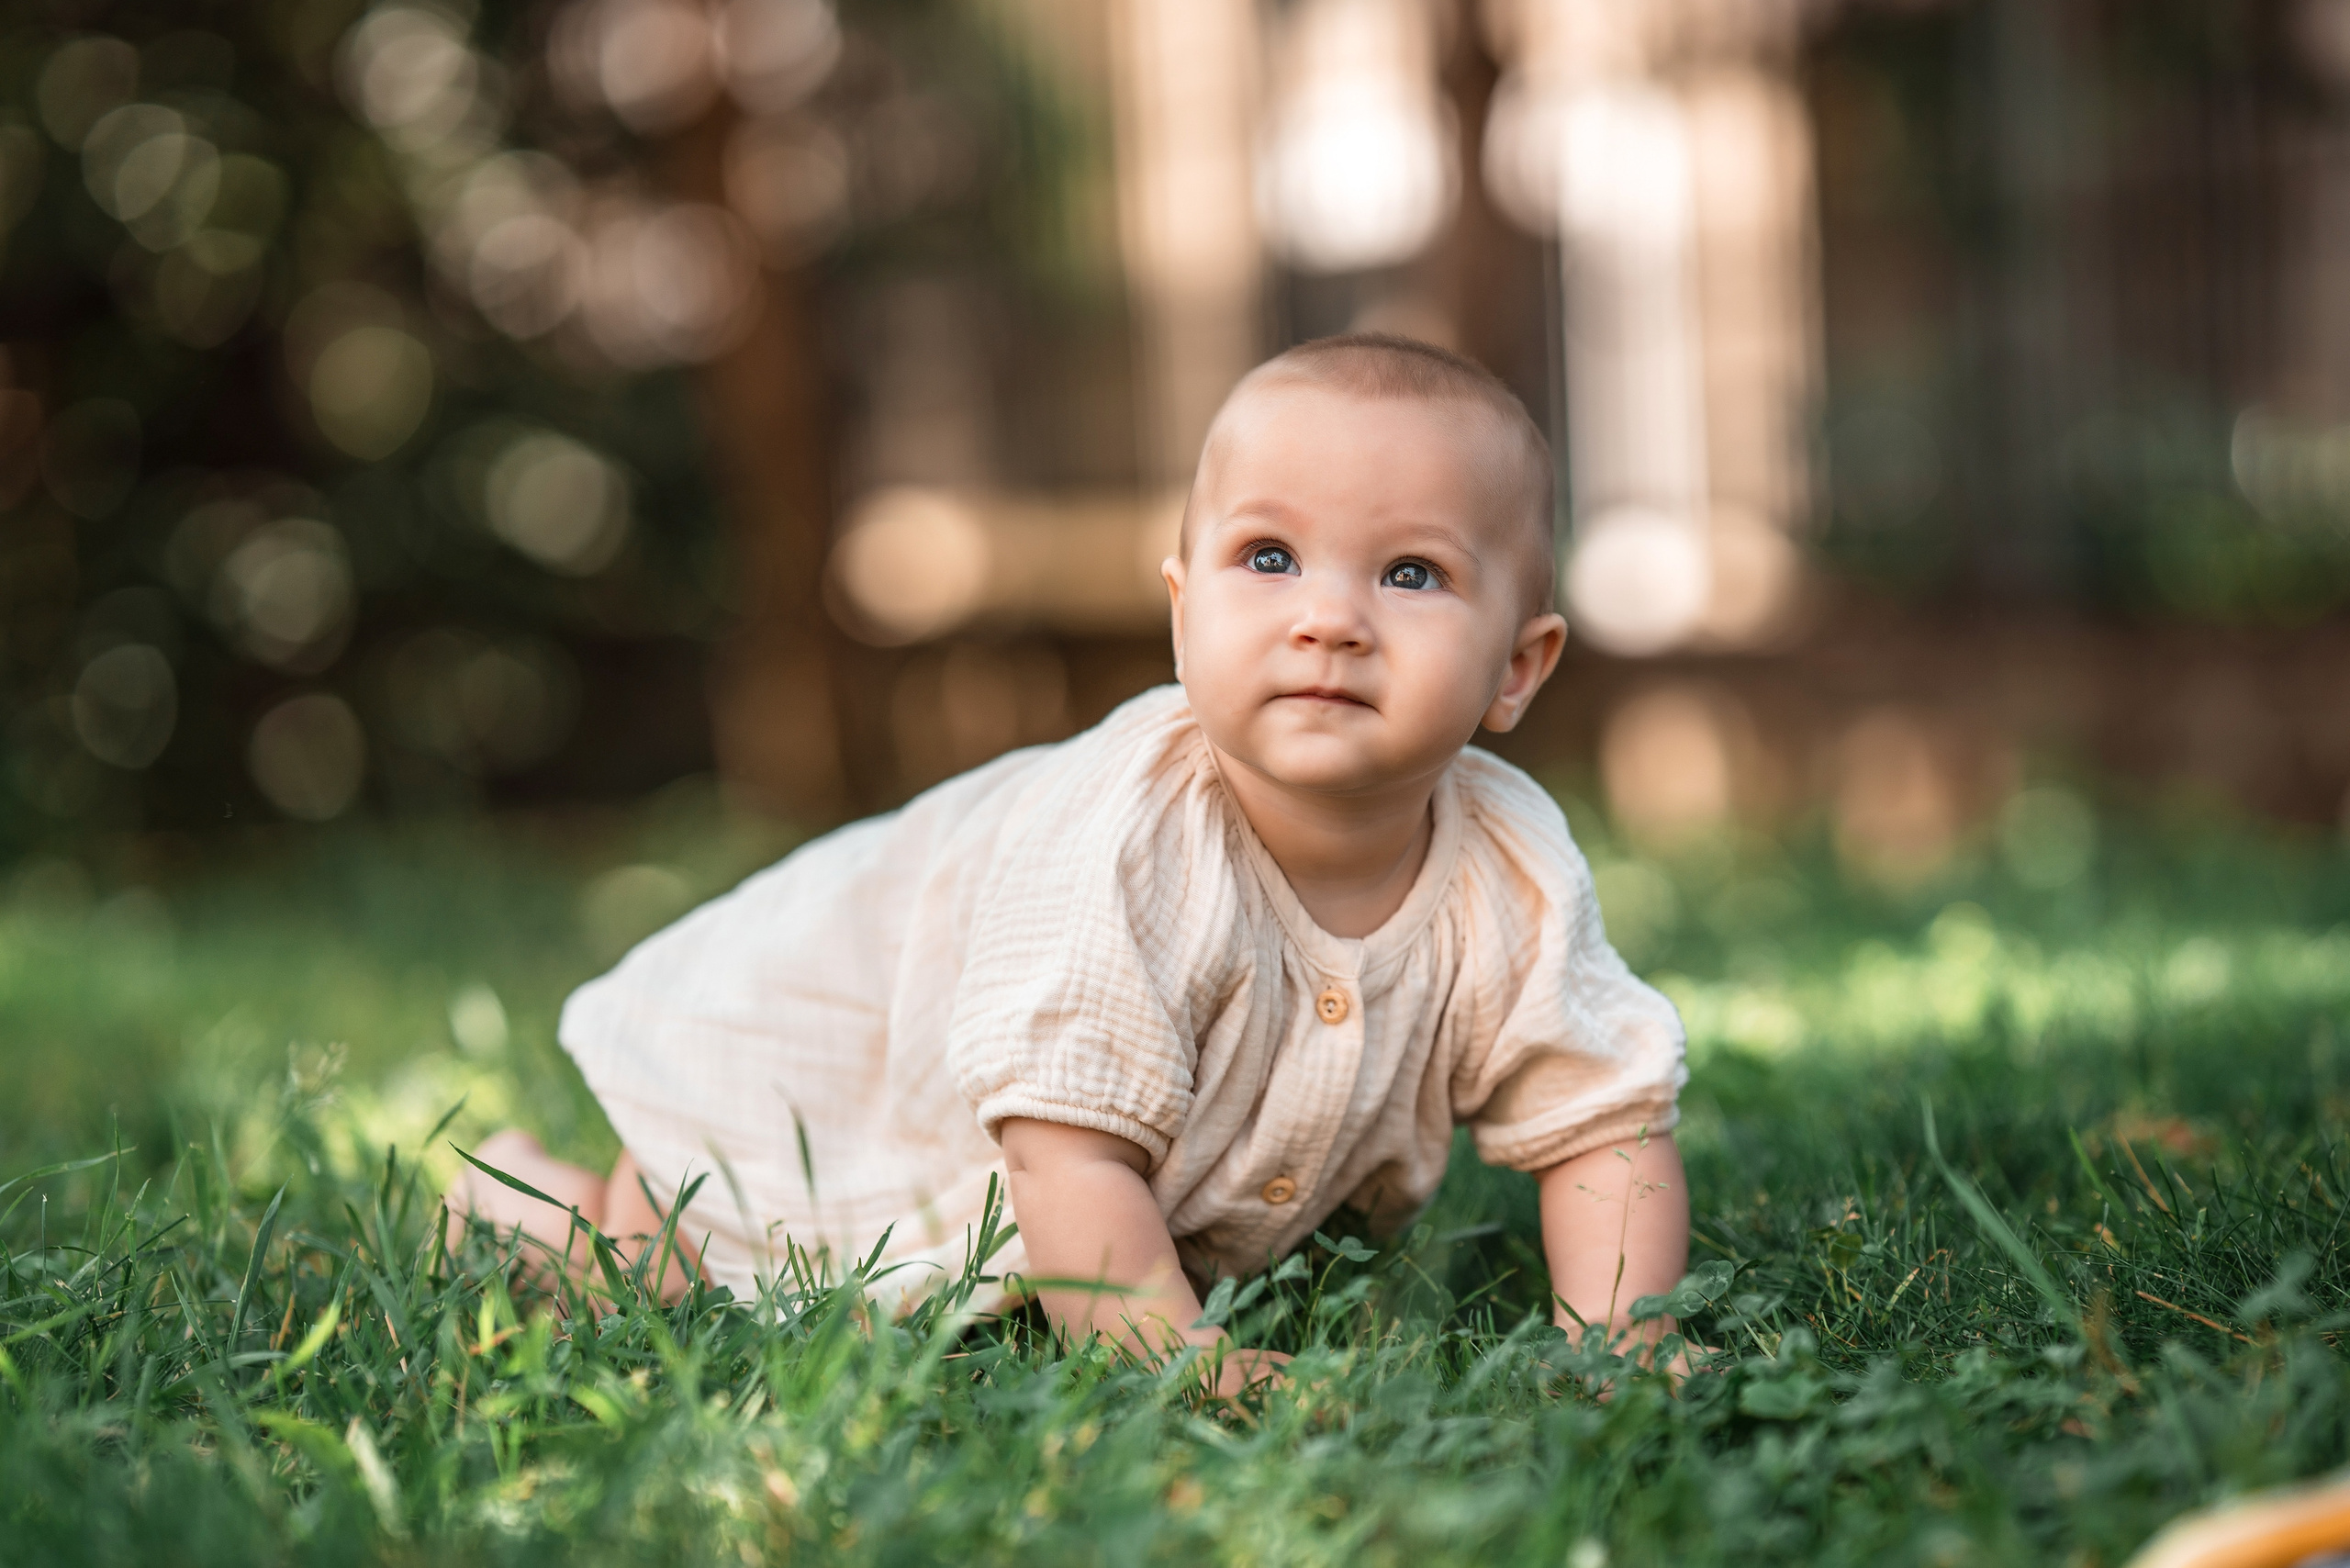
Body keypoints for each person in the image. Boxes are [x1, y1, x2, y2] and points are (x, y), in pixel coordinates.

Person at [448, 333, 1691, 1394]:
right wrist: (1174, 1356)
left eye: (1411, 573)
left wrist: (1621, 1336)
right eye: (1269, 558)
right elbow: (1065, 1148)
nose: (1328, 618)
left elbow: (1604, 1123)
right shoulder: (1132, 835)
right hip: (870, 1055)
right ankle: (517, 1198)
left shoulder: (1509, 870)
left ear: (1517, 669)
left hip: (1090, 1166)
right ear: (1180, 609)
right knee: (674, 1262)